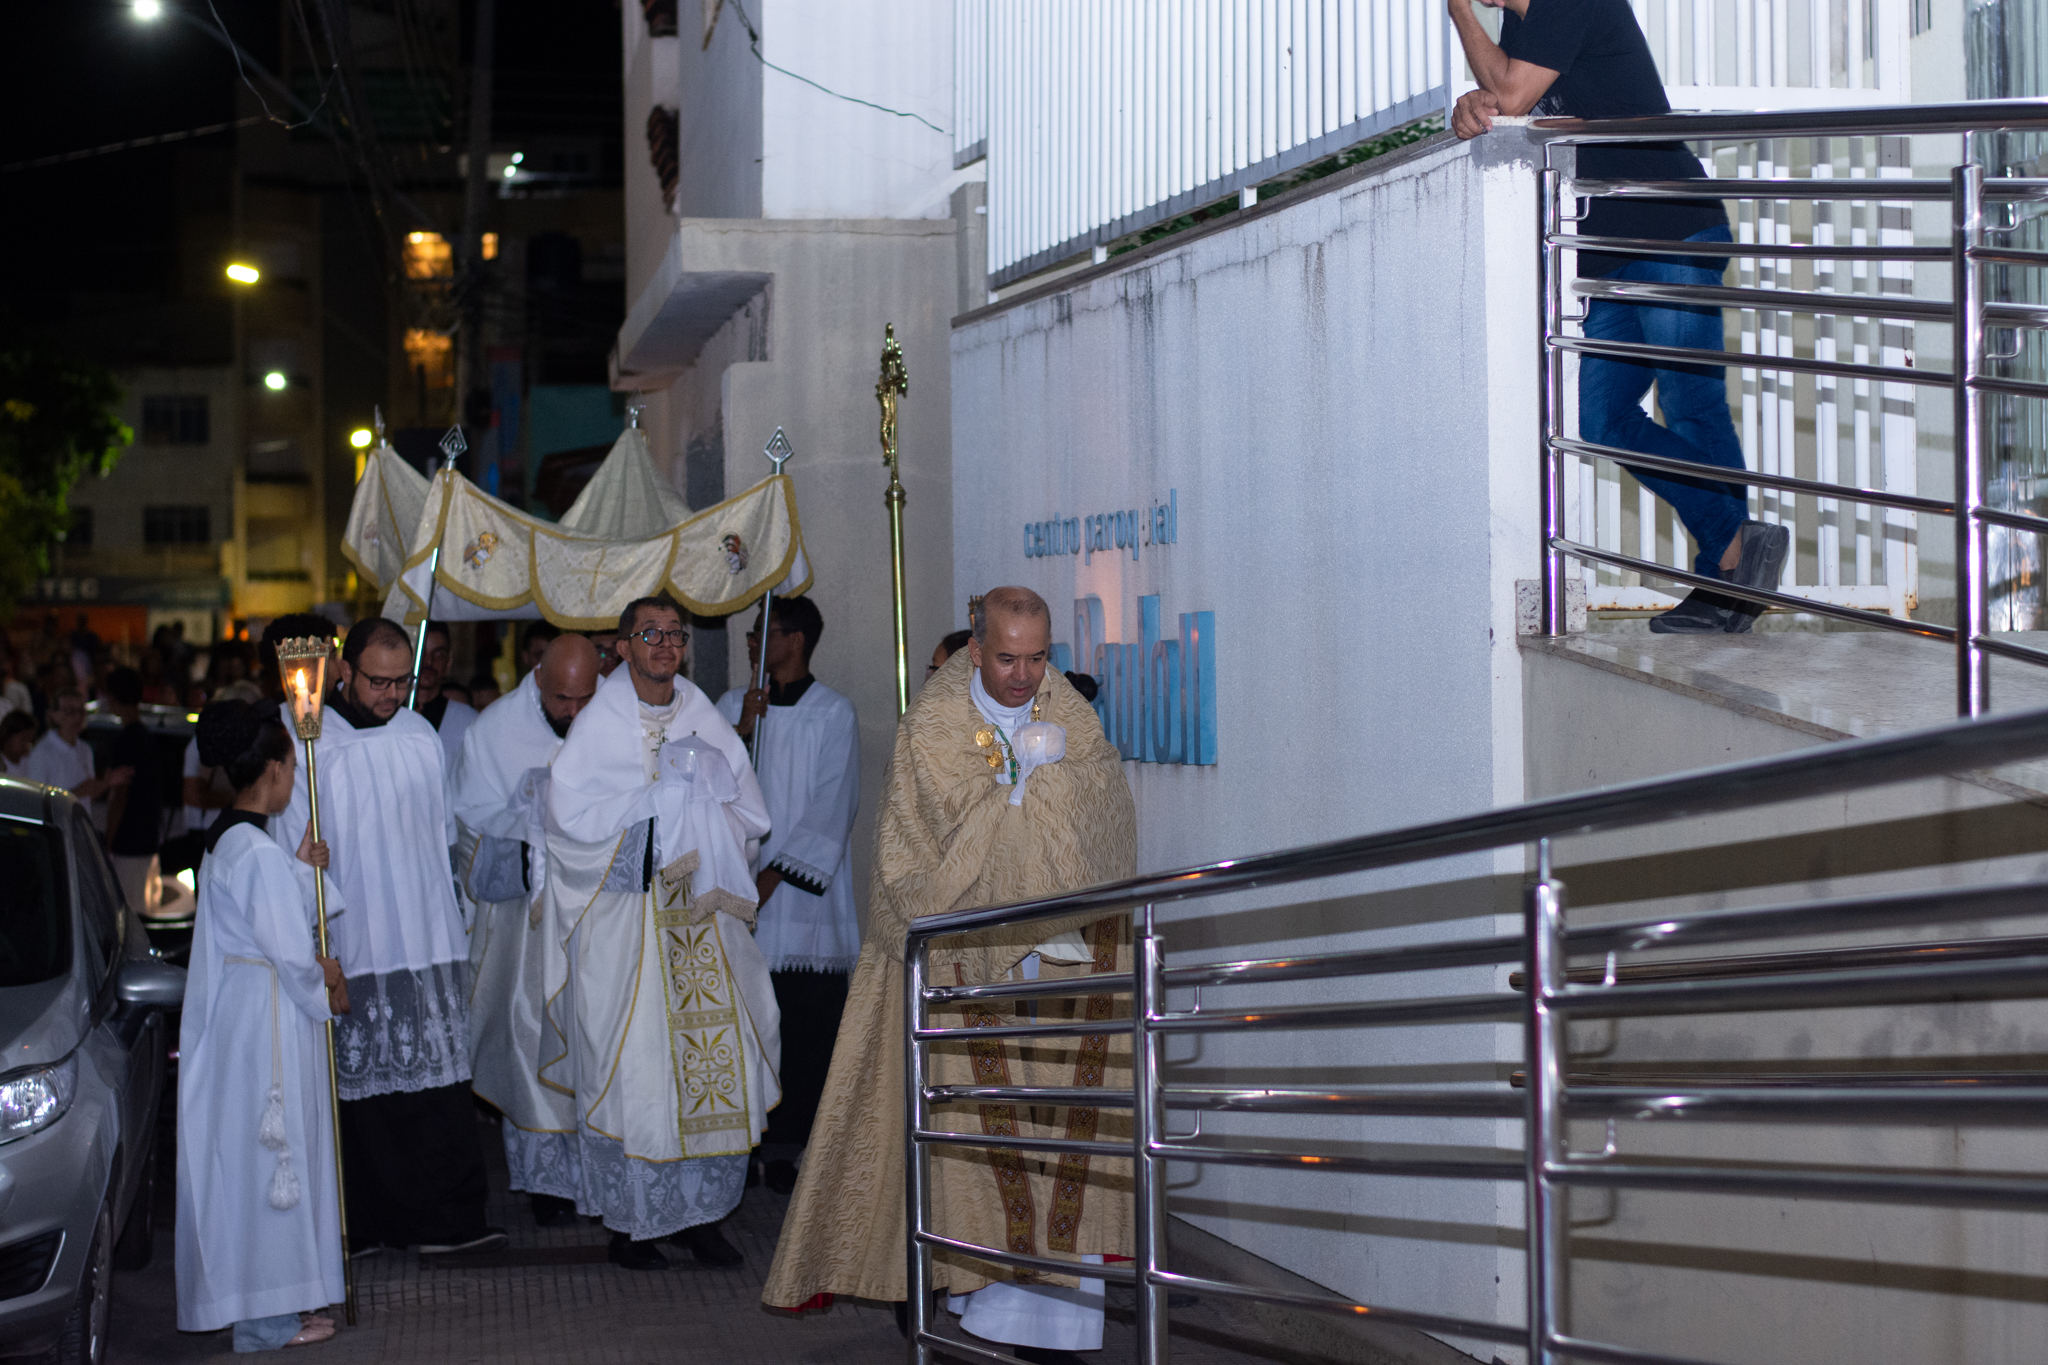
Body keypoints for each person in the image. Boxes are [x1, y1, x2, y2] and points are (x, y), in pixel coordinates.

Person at [763, 586, 1137, 1363]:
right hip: (969, 967)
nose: (1023, 675)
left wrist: (1059, 780)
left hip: (1059, 965)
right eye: (1006, 658)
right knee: (975, 1148)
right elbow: (914, 855)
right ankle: (981, 1297)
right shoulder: (928, 729)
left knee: (1055, 1138)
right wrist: (1023, 791)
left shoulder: (1071, 714)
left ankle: (1061, 1325)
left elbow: (1109, 813)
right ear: (975, 648)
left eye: (1037, 658)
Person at [1449, 0, 1789, 634]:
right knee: (1597, 417)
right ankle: (1736, 550)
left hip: (1669, 228)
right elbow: (1508, 101)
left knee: (1690, 403)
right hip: (1610, 250)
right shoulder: (1525, 24)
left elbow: (1513, 96)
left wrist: (1458, 13)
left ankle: (1726, 577)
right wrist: (1475, 96)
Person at [540, 595, 775, 1271]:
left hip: (700, 919)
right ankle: (635, 1223)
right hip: (629, 926)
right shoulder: (599, 725)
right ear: (623, 647)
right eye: (651, 634)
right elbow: (568, 823)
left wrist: (700, 805)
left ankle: (702, 1217)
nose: (666, 645)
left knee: (713, 1067)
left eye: (675, 634)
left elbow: (750, 815)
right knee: (639, 1071)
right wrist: (654, 807)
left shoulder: (703, 717)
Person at [272, 617, 503, 1257]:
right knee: (361, 1094)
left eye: (403, 681)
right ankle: (365, 1223)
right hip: (356, 932)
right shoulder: (311, 739)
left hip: (424, 933)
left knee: (435, 1084)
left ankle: (446, 1220)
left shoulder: (418, 735)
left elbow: (441, 835)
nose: (393, 694)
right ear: (345, 670)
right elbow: (290, 842)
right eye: (379, 681)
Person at [175, 701, 348, 1352]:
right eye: (290, 771)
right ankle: (267, 1319)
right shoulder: (253, 849)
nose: (291, 782)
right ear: (274, 769)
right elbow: (288, 949)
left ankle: (267, 1308)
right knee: (276, 1161)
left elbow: (262, 921)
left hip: (247, 1015)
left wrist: (299, 868)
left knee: (255, 1162)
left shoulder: (229, 839)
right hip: (268, 1019)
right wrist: (326, 977)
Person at [451, 635, 600, 1229]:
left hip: (595, 919)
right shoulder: (492, 733)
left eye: (584, 699)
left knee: (593, 1040)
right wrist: (529, 819)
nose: (574, 713)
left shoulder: (611, 721)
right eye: (562, 699)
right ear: (537, 678)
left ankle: (599, 1175)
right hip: (527, 923)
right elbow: (468, 824)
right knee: (530, 1038)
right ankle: (546, 1183)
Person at [715, 596, 860, 1195]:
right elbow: (707, 786)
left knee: (802, 1032)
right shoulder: (731, 706)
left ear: (795, 640)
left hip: (803, 908)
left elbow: (832, 805)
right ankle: (741, 1143)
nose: (751, 642)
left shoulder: (834, 713)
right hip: (738, 891)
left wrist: (770, 879)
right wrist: (743, 731)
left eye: (762, 632)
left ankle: (789, 1147)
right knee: (744, 1027)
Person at [102, 667, 167, 914]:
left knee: (130, 915)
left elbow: (121, 796)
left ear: (114, 698)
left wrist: (107, 842)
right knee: (146, 911)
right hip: (148, 839)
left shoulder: (127, 740)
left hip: (129, 843)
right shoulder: (147, 738)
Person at [25, 688, 129, 810]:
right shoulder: (42, 752)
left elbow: (89, 795)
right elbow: (37, 801)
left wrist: (107, 782)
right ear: (55, 715)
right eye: (70, 711)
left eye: (81, 711)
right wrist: (79, 791)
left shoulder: (85, 749)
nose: (77, 717)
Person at [413, 622, 479, 768]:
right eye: (421, 652)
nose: (429, 661)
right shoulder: (389, 714)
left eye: (438, 654)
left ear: (448, 663)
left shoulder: (468, 721)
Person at [0, 711, 37, 777]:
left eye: (30, 741)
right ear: (8, 737)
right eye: (23, 739)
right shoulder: (1, 765)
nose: (27, 744)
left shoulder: (30, 762)